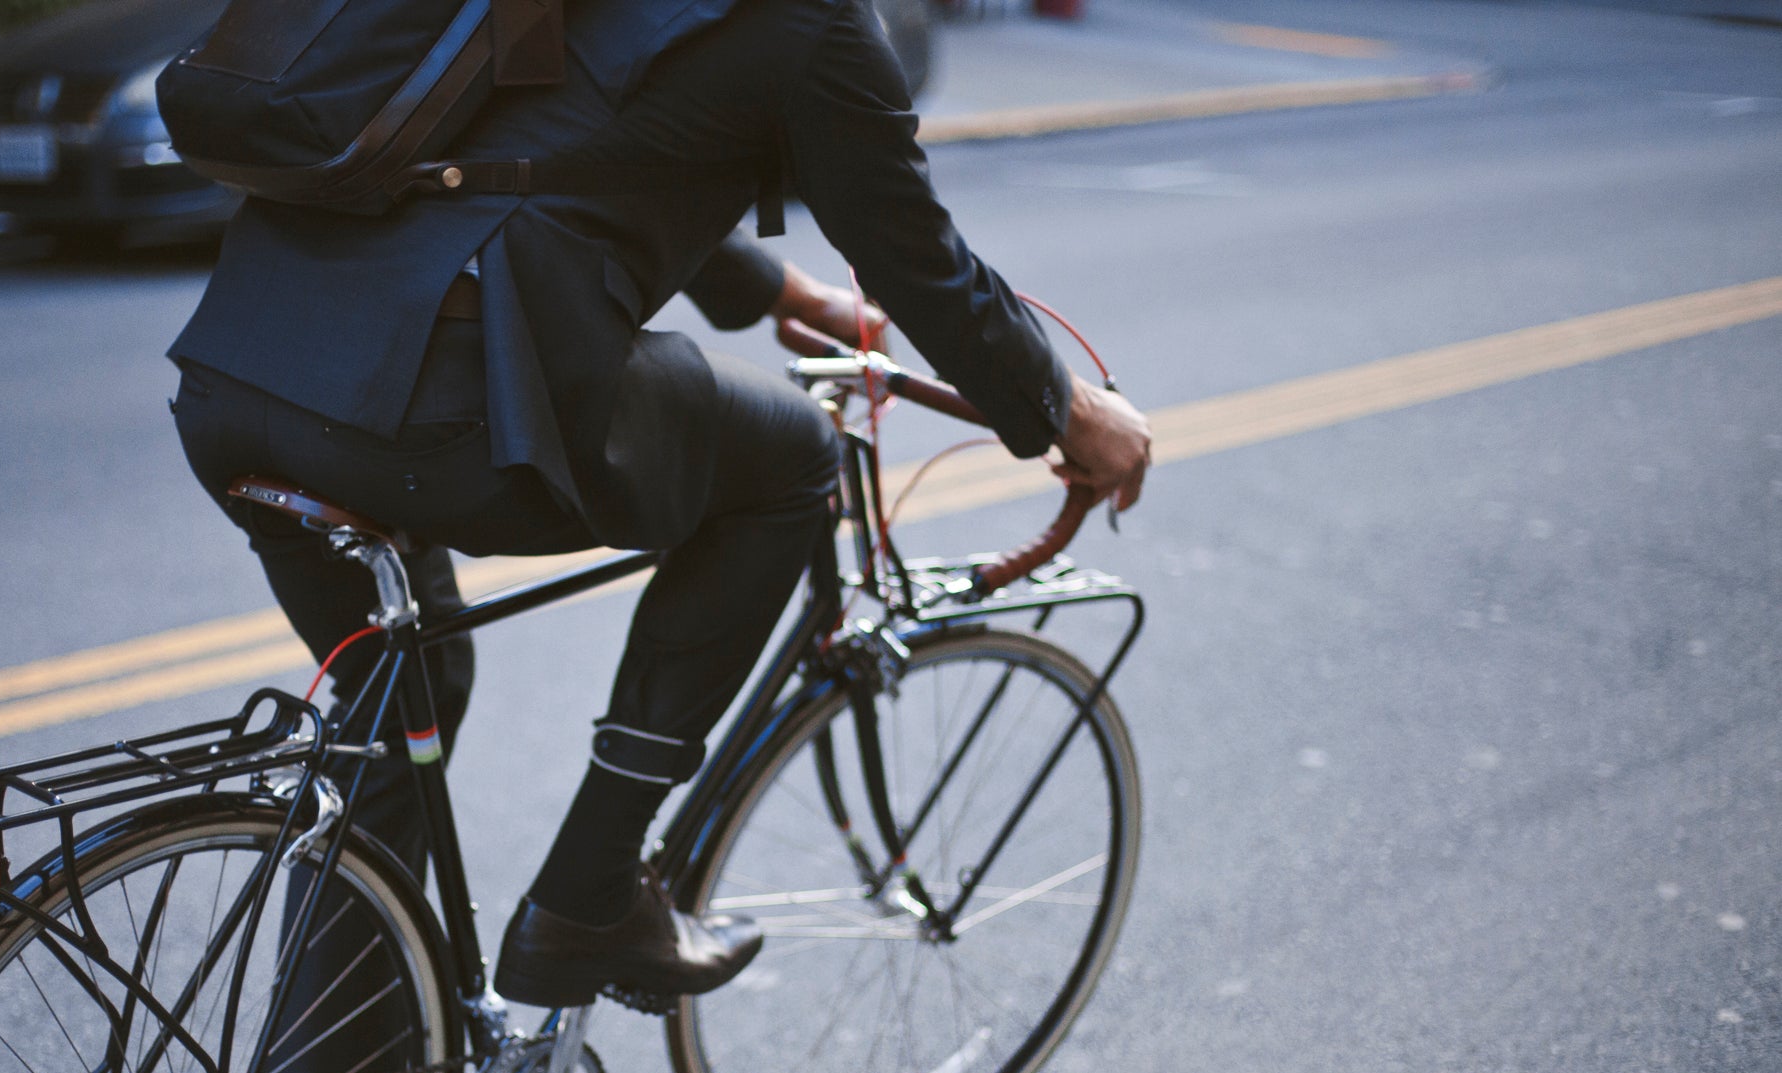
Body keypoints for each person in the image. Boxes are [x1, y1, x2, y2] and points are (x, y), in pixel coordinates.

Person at [168, 0, 1153, 1017]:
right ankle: (589, 897)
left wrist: (780, 292)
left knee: (391, 712)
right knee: (789, 459)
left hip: (239, 379)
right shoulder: (813, 21)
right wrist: (1067, 411)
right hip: (432, 412)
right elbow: (914, 254)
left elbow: (548, 135)